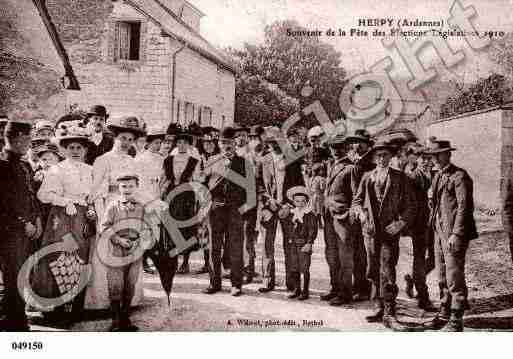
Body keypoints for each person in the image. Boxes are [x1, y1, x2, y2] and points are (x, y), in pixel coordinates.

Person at [34, 126, 95, 325]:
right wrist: (65, 201)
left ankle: (75, 307)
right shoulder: (56, 169)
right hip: (61, 219)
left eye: (79, 147)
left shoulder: (90, 170)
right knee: (60, 257)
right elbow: (43, 195)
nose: (76, 151)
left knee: (81, 258)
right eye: (71, 147)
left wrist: (91, 208)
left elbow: (93, 194)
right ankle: (57, 309)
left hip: (82, 218)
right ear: (65, 150)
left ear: (85, 149)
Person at [352, 140, 415, 331]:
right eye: (378, 155)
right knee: (372, 270)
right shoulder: (366, 177)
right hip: (370, 232)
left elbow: (411, 206)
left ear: (391, 157)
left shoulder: (399, 177)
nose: (382, 159)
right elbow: (357, 200)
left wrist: (400, 223)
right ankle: (378, 306)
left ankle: (390, 312)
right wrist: (361, 213)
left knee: (387, 270)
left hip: (389, 232)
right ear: (373, 158)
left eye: (385, 155)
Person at [86, 115, 146, 310]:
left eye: (130, 139)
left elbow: (139, 187)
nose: (126, 143)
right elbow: (95, 190)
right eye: (123, 138)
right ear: (115, 138)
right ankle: (104, 301)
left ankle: (129, 299)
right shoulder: (103, 160)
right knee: (108, 250)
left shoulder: (133, 161)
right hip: (110, 207)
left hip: (129, 210)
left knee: (130, 247)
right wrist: (101, 216)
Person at [425, 140, 477, 332]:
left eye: (438, 154)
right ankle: (444, 312)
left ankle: (456, 319)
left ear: (448, 155)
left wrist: (456, 234)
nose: (435, 159)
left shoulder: (459, 176)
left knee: (454, 275)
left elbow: (464, 207)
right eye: (433, 155)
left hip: (453, 234)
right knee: (441, 274)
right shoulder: (438, 175)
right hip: (439, 232)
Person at [0, 120, 42, 331]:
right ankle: (14, 321)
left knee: (23, 273)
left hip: (28, 230)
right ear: (14, 137)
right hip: (10, 232)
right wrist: (24, 223)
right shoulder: (2, 164)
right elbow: (4, 202)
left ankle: (15, 317)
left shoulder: (25, 165)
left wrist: (37, 219)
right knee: (13, 275)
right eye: (27, 138)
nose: (30, 142)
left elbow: (30, 196)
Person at [101, 174, 154, 331]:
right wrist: (118, 239)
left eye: (131, 186)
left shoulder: (142, 207)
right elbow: (104, 227)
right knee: (116, 283)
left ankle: (126, 319)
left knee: (130, 283)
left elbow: (147, 227)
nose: (127, 189)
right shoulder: (113, 206)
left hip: (135, 248)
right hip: (116, 249)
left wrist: (139, 241)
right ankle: (115, 320)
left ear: (136, 187)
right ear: (119, 188)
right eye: (124, 186)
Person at [202, 127, 246, 296]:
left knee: (235, 247)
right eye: (223, 142)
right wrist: (208, 203)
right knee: (214, 246)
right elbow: (202, 185)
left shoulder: (243, 162)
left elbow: (250, 188)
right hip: (216, 210)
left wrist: (243, 208)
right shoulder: (211, 161)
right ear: (218, 144)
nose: (227, 146)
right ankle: (214, 283)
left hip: (235, 210)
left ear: (236, 143)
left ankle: (236, 284)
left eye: (230, 142)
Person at [259, 132, 304, 293]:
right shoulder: (263, 161)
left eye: (277, 142)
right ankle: (267, 280)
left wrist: (290, 205)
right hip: (269, 208)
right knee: (266, 245)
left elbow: (300, 186)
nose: (274, 145)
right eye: (270, 142)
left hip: (287, 208)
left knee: (290, 244)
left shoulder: (293, 160)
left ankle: (291, 282)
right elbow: (258, 185)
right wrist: (268, 200)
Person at [321, 134, 358, 305]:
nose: (336, 151)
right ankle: (334, 288)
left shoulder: (351, 168)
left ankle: (345, 293)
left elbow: (357, 196)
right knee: (331, 255)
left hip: (343, 218)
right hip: (329, 217)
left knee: (345, 257)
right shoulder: (331, 165)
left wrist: (348, 215)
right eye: (333, 148)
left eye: (339, 148)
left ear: (346, 149)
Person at [160, 129, 201, 275]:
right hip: (171, 196)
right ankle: (173, 261)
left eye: (185, 143)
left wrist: (197, 199)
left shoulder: (194, 161)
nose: (182, 145)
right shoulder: (168, 159)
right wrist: (161, 196)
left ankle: (185, 262)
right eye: (179, 142)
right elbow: (163, 179)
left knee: (186, 228)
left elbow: (197, 181)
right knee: (171, 228)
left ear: (189, 145)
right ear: (175, 144)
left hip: (186, 197)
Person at [402, 145, 435, 310]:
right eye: (423, 158)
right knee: (420, 258)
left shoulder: (433, 174)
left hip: (433, 222)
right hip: (419, 224)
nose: (426, 161)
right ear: (416, 159)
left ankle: (412, 279)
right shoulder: (412, 177)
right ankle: (423, 297)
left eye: (429, 158)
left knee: (434, 259)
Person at [345, 129, 374, 301]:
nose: (356, 145)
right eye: (354, 142)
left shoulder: (369, 162)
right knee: (357, 251)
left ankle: (366, 288)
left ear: (368, 145)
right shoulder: (356, 161)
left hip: (365, 211)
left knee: (365, 253)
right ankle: (360, 286)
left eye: (360, 142)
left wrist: (359, 211)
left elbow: (360, 192)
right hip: (356, 210)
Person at [135, 129, 166, 275]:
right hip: (144, 194)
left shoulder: (161, 158)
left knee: (155, 229)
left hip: (156, 193)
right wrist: (144, 199)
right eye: (156, 143)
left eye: (160, 143)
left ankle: (151, 258)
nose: (158, 145)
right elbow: (138, 180)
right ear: (148, 143)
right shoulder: (140, 159)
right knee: (144, 229)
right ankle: (142, 261)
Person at [279, 186, 318, 300]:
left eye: (302, 201)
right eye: (297, 201)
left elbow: (312, 230)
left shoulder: (309, 214)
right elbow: (286, 224)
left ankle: (305, 291)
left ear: (306, 202)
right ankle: (297, 289)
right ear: (293, 201)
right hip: (293, 244)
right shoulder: (292, 213)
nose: (300, 204)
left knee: (304, 268)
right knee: (294, 267)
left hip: (303, 244)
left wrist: (309, 243)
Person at [234, 125, 259, 284]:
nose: (241, 138)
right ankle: (237, 268)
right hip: (234, 202)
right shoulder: (232, 154)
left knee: (247, 237)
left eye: (244, 135)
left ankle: (249, 270)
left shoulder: (252, 155)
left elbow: (255, 180)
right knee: (235, 237)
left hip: (249, 201)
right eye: (238, 136)